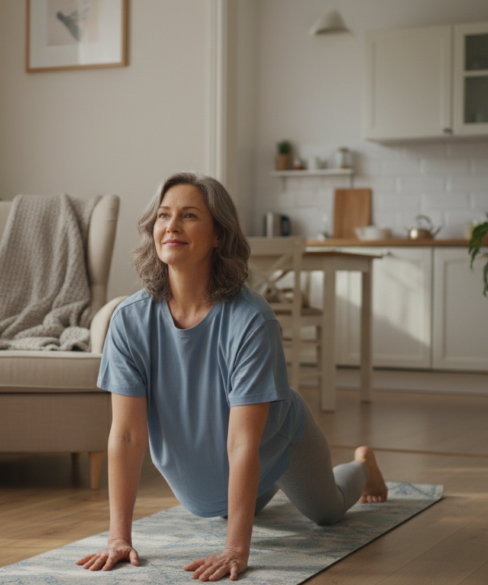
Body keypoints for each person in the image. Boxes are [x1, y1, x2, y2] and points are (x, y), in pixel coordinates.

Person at [76, 172, 388, 582]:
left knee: (327, 512)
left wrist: (235, 549)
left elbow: (244, 442)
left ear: (218, 234)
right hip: (215, 474)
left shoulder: (251, 320)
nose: (171, 225)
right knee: (227, 506)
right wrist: (119, 537)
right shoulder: (129, 321)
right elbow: (128, 435)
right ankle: (250, 497)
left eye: (189, 215)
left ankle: (364, 464)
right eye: (163, 215)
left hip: (276, 441)